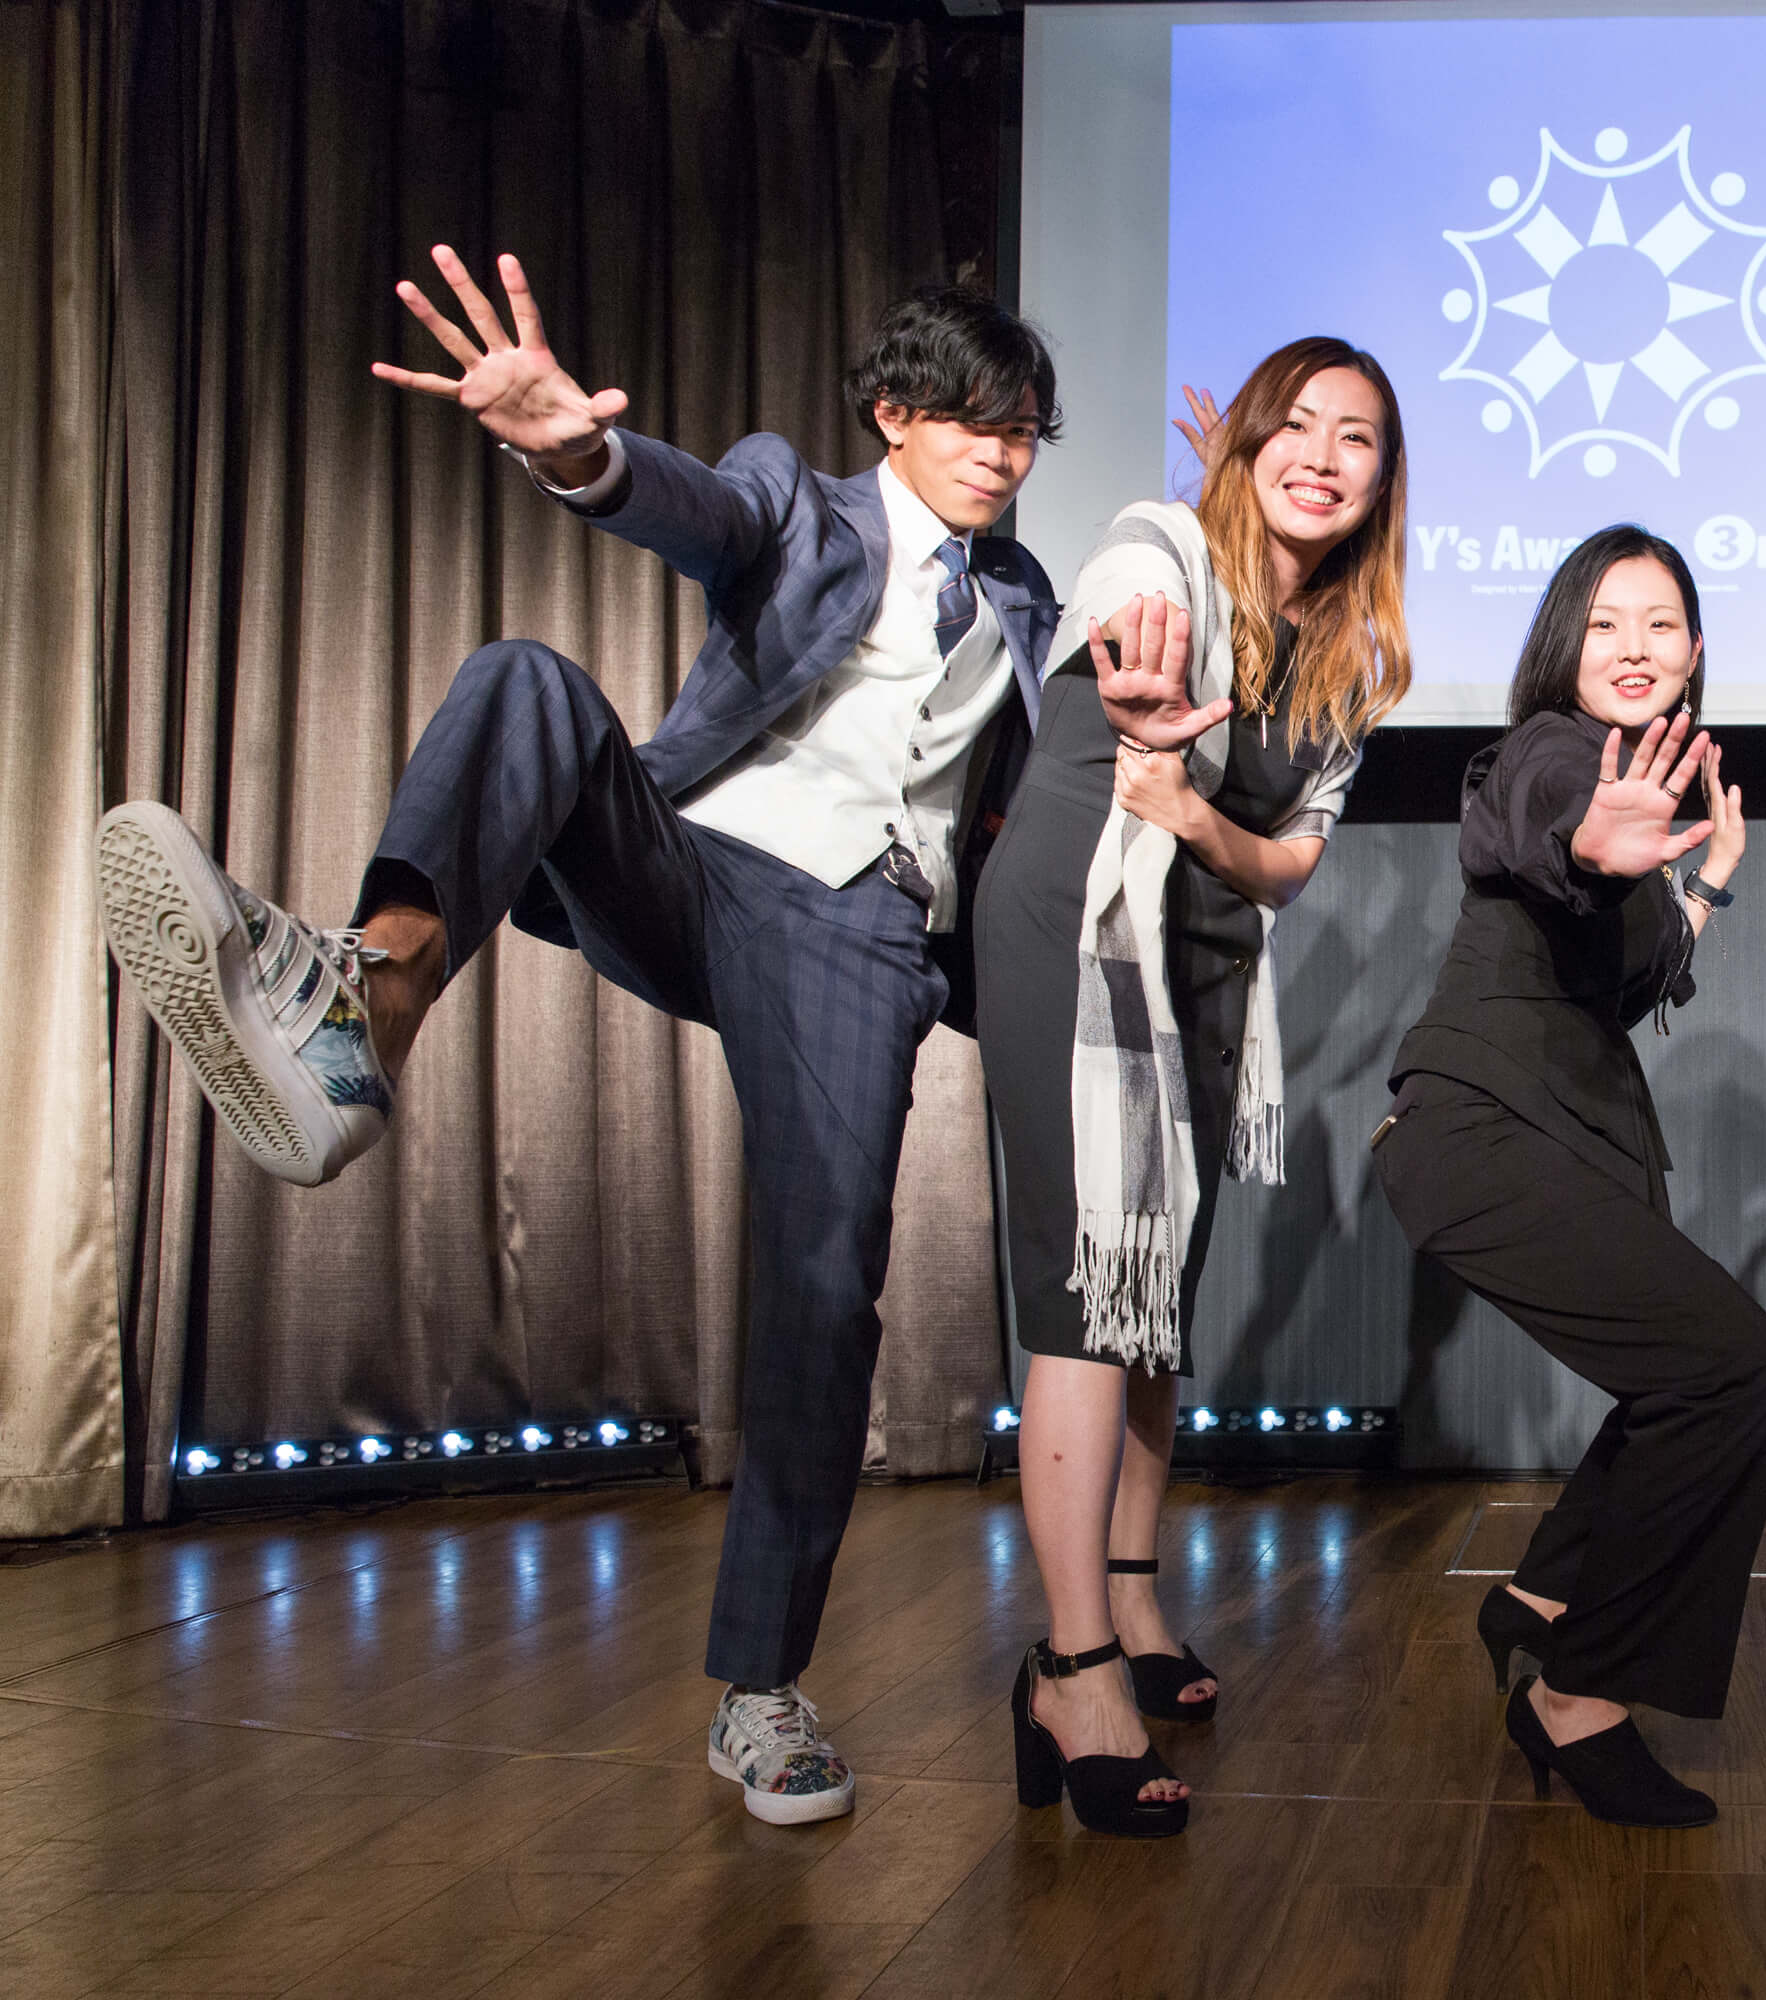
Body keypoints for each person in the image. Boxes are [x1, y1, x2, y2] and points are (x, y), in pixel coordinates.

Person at [93, 250, 1063, 1825]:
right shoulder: (801, 501)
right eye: (975, 422)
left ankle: (760, 1691)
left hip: (864, 936)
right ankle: (367, 1003)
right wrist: (580, 454)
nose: (1003, 456)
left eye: (1023, 432)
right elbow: (702, 511)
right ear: (895, 414)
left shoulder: (1026, 599)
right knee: (528, 681)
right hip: (701, 862)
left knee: (825, 1291)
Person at [979, 338, 1412, 1838]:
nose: (1323, 456)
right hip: (1079, 935)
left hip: (1211, 956)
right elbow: (1127, 627)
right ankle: (1071, 1664)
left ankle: (1134, 1596)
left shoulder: (1355, 657)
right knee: (1094, 1293)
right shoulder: (1158, 545)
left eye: (1356, 438)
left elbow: (1285, 865)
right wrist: (1150, 711)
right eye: (1296, 424)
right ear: (1242, 443)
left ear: (1384, 482)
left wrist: (1190, 806)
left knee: (1160, 1293)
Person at [1376, 526, 1766, 1830]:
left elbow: (1627, 970)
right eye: (1605, 623)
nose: (1634, 648)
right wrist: (1598, 844)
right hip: (1480, 1126)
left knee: (1685, 1384)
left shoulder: (1638, 798)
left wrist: (1698, 884)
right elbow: (1554, 822)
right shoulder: (1550, 755)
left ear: (1695, 652)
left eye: (1660, 625)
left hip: (1543, 1131)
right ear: (1564, 643)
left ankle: (1540, 1599)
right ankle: (1575, 1699)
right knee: (1737, 1376)